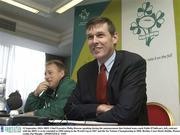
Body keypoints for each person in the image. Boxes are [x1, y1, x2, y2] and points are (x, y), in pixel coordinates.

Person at [64, 17, 148, 125]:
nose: (94, 41)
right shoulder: (83, 72)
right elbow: (69, 109)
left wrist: (90, 118)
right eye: (90, 37)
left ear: (114, 38)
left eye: (100, 35)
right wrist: (100, 108)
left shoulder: (132, 63)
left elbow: (126, 113)